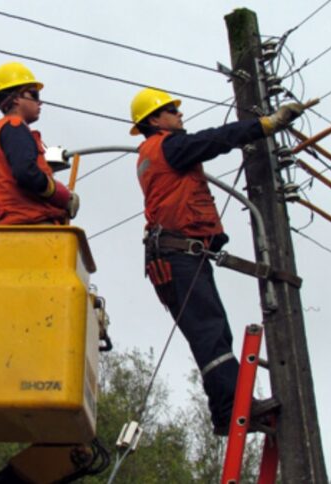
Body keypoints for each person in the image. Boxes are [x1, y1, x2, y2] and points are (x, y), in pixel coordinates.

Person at [130, 87, 306, 435]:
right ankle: (230, 411)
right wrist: (265, 124)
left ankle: (228, 409)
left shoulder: (155, 153)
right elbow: (217, 139)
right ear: (154, 119)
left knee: (212, 332)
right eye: (171, 111)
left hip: (177, 256)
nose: (180, 115)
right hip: (178, 256)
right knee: (210, 333)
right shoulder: (169, 146)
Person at [0, 61, 79, 225]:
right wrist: (62, 195)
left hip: (15, 222)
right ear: (16, 99)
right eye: (34, 95)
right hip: (30, 222)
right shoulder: (14, 127)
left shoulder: (1, 131)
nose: (39, 102)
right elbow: (26, 173)